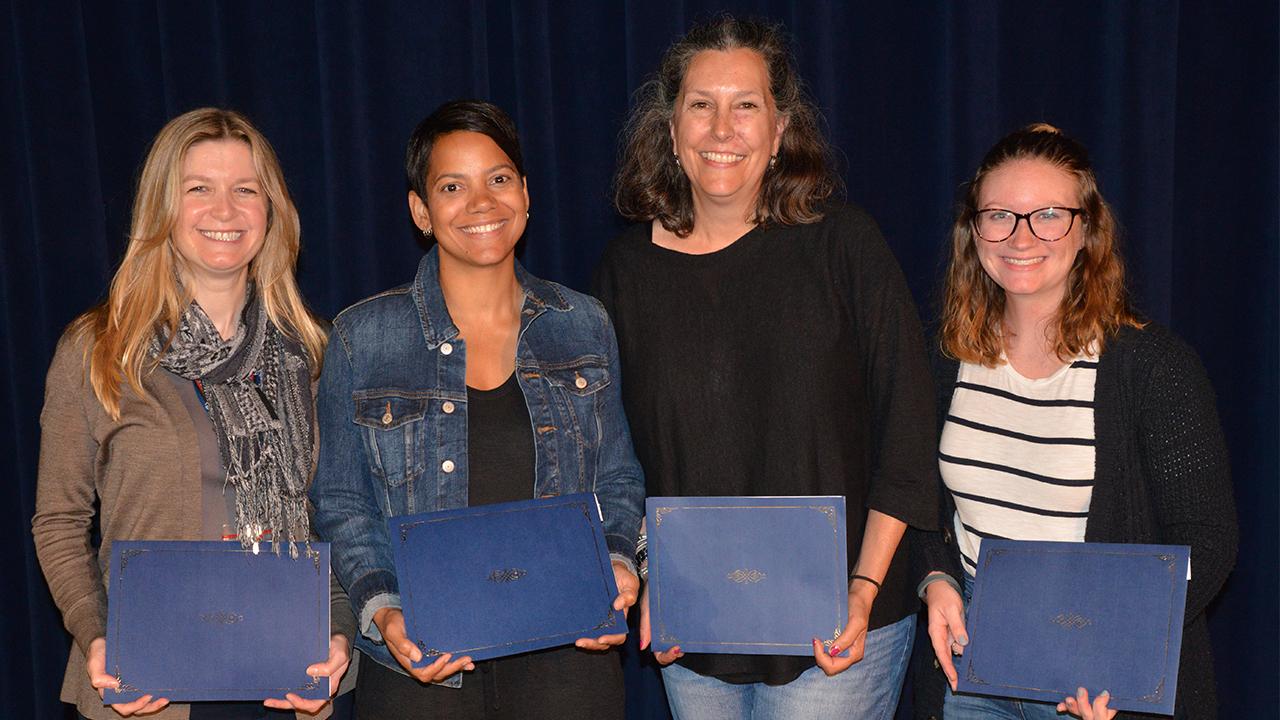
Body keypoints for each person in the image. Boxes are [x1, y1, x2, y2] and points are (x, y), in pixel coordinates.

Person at [593, 15, 938, 719]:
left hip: (839, 622)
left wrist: (865, 588)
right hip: (698, 627)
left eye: (745, 105)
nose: (723, 129)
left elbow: (908, 434)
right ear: (669, 128)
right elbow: (615, 458)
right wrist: (653, 571)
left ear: (780, 130)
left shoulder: (845, 247)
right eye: (701, 104)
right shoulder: (624, 273)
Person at [308, 99, 645, 720]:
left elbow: (618, 478)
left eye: (498, 179)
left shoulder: (584, 325)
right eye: (452, 186)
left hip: (569, 658)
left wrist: (617, 568)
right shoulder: (363, 338)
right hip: (421, 670)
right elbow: (341, 502)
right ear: (422, 211)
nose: (481, 203)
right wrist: (385, 611)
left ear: (526, 193)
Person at [32, 108, 354, 720]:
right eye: (199, 189)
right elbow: (58, 521)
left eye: (245, 190)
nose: (225, 210)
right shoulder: (98, 350)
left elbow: (335, 517)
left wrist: (336, 633)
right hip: (148, 685)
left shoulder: (313, 354)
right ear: (161, 210)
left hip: (288, 682)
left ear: (271, 211)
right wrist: (98, 637)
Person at [913, 124, 1238, 720]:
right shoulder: (944, 359)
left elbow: (1209, 540)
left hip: (1092, 678)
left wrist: (1118, 646)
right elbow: (918, 504)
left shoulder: (1152, 366)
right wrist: (935, 578)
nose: (1021, 235)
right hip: (970, 669)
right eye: (999, 215)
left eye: (1048, 215)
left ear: (1087, 230)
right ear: (973, 230)